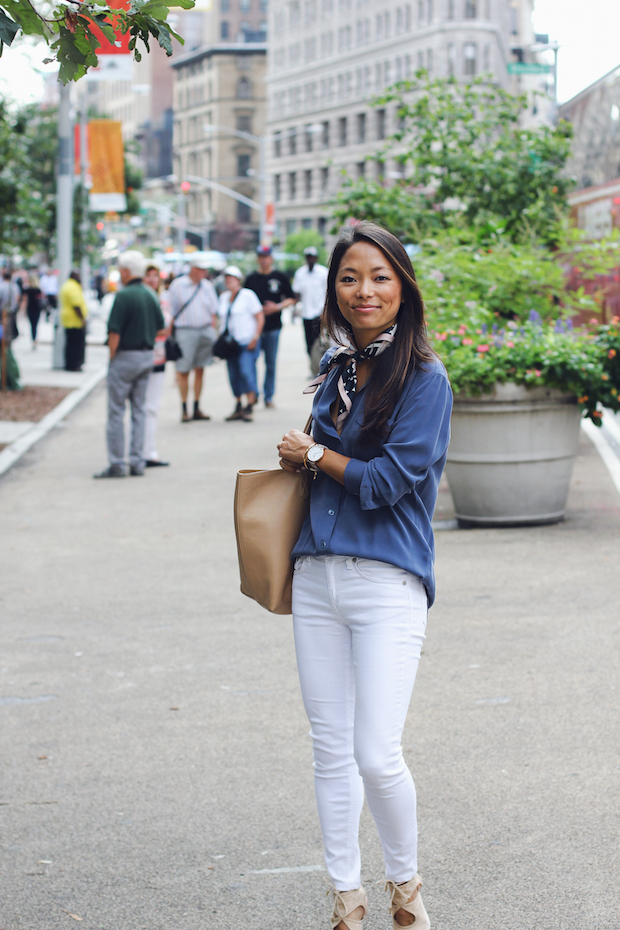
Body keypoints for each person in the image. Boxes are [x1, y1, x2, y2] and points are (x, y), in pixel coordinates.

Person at [276, 222, 452, 930]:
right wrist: (305, 454)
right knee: (329, 750)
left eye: (379, 276)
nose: (364, 291)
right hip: (317, 575)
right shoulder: (338, 369)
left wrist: (315, 456)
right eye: (350, 278)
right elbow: (327, 462)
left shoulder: (425, 380)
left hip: (387, 581)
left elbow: (390, 483)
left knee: (375, 753)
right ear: (333, 290)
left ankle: (405, 888)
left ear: (403, 286)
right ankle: (345, 897)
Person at [94, 251, 165, 479]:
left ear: (126, 271)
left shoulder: (123, 296)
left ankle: (117, 464)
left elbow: (114, 333)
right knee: (139, 411)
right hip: (146, 357)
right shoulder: (150, 294)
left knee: (116, 412)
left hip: (124, 357)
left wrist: (112, 358)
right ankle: (137, 461)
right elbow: (160, 327)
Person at [167, 256, 219, 423]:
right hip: (185, 331)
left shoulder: (207, 286)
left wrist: (213, 332)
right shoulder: (178, 285)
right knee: (183, 370)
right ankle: (184, 408)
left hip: (204, 330)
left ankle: (196, 407)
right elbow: (171, 311)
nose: (205, 272)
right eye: (202, 269)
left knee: (200, 369)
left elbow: (213, 312)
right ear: (194, 269)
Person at [244, 245, 296, 408]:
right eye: (260, 256)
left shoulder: (279, 276)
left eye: (266, 256)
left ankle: (269, 396)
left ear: (271, 258)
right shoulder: (251, 278)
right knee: (251, 362)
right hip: (254, 329)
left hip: (273, 326)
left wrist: (277, 306)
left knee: (270, 363)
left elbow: (292, 298)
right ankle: (253, 394)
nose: (263, 260)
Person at [218, 265, 264, 422]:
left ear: (238, 280)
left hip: (246, 341)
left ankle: (250, 404)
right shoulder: (224, 297)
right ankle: (238, 404)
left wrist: (255, 337)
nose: (229, 280)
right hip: (230, 343)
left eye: (232, 277)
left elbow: (259, 316)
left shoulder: (247, 295)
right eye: (227, 278)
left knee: (246, 371)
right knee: (233, 374)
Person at [142, 263, 172, 467]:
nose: (152, 279)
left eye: (155, 275)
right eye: (148, 275)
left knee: (151, 407)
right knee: (138, 407)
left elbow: (164, 329)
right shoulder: (139, 298)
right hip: (138, 357)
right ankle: (139, 451)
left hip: (157, 357)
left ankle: (148, 451)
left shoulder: (164, 300)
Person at [292, 246, 329, 360]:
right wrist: (294, 309)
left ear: (316, 258)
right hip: (306, 313)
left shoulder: (323, 272)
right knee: (309, 342)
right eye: (308, 257)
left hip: (320, 312)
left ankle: (320, 367)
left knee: (320, 342)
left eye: (312, 257)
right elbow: (297, 293)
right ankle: (313, 365)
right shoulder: (300, 273)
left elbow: (329, 292)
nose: (310, 259)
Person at [59, 271, 88, 371]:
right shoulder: (73, 287)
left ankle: (71, 364)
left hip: (69, 319)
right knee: (76, 345)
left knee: (71, 343)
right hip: (74, 320)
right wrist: (82, 318)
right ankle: (74, 365)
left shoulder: (67, 285)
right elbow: (76, 305)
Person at [21, 272, 43, 349]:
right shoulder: (38, 289)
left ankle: (33, 340)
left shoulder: (27, 290)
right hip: (37, 309)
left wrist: (23, 310)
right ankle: (35, 340)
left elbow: (25, 301)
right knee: (35, 325)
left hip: (30, 309)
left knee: (32, 326)